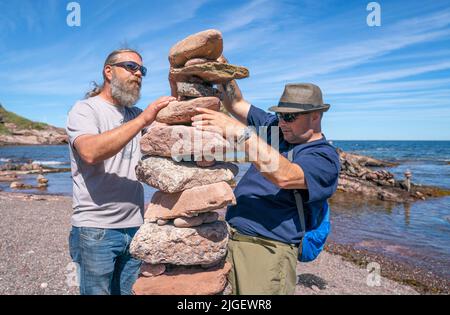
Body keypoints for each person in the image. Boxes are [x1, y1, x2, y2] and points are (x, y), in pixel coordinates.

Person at [191, 64, 340, 295]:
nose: (282, 122)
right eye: (280, 114)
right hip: (230, 238)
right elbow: (237, 104)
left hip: (268, 252)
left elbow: (285, 175)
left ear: (315, 116)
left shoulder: (323, 157)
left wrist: (238, 132)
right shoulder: (277, 129)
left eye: (290, 116)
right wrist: (221, 66)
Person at [66, 48, 175, 295]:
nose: (138, 74)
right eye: (131, 67)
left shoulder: (134, 114)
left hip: (136, 227)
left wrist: (175, 82)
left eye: (142, 70)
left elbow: (174, 127)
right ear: (108, 71)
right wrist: (142, 120)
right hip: (96, 230)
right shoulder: (85, 109)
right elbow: (90, 152)